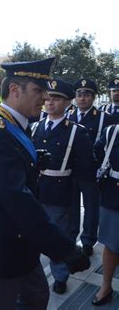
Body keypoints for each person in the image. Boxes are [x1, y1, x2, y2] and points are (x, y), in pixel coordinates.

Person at [0, 57, 90, 309]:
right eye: (38, 90)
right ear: (14, 90)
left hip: (20, 243)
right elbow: (18, 199)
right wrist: (64, 248)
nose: (45, 98)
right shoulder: (0, 133)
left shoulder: (11, 124)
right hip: (1, 248)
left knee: (36, 297)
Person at [32, 79, 96, 294]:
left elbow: (85, 169)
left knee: (59, 235)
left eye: (57, 98)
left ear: (68, 103)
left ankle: (60, 275)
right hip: (36, 189)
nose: (50, 102)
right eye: (48, 97)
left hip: (60, 190)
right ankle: (32, 270)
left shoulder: (77, 132)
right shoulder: (35, 127)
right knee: (32, 233)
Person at [67, 78, 116, 256]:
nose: (82, 98)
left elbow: (109, 146)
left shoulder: (104, 118)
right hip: (70, 171)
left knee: (91, 207)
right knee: (71, 207)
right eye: (79, 94)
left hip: (91, 172)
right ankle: (71, 238)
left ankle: (88, 240)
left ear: (93, 97)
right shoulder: (68, 116)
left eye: (87, 94)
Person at [92, 123, 119, 306]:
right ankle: (106, 286)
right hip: (114, 195)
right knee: (111, 244)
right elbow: (98, 152)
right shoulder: (113, 131)